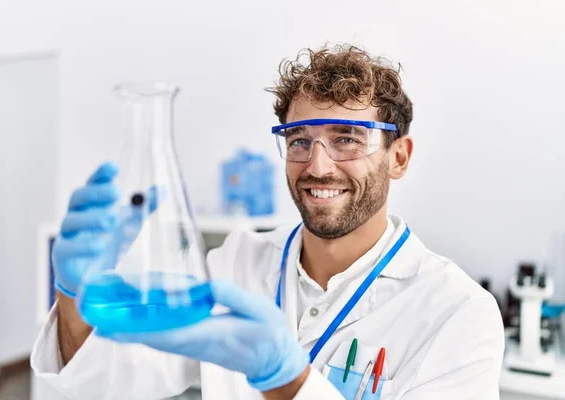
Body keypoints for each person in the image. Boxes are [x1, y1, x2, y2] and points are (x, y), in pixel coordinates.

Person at [32, 44, 504, 400]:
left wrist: (288, 379)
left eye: (347, 139)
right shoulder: (237, 262)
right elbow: (112, 378)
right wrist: (73, 295)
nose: (318, 166)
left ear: (398, 157)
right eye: (299, 140)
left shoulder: (458, 313)